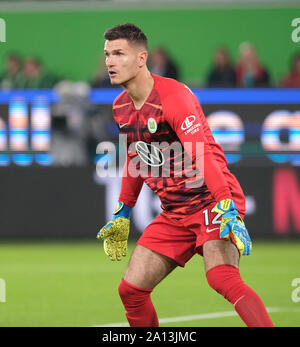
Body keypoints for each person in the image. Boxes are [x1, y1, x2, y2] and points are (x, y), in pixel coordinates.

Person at [97, 23, 274, 327]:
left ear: (142, 58)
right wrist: (123, 212)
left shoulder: (173, 96)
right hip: (175, 212)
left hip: (211, 201)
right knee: (131, 290)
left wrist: (225, 203)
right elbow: (134, 157)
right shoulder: (120, 107)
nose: (110, 61)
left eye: (119, 53)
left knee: (222, 278)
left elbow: (202, 155)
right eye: (107, 54)